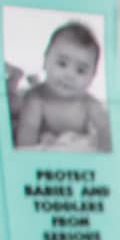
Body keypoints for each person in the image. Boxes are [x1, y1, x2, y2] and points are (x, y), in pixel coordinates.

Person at [10, 20, 110, 152]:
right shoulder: (36, 98)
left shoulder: (90, 103)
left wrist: (104, 156)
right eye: (62, 64)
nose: (69, 75)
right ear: (45, 61)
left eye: (80, 70)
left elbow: (107, 131)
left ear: (92, 77)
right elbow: (26, 137)